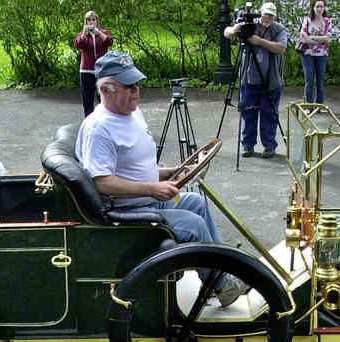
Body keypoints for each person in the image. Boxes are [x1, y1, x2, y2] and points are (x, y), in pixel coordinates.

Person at [78, 51, 250, 307]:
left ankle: (223, 272)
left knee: (196, 203)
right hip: (127, 212)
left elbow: (132, 166)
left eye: (137, 84)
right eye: (129, 86)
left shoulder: (132, 113)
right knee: (192, 224)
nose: (136, 91)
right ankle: (222, 285)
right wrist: (152, 188)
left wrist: (163, 173)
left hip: (145, 200)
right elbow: (102, 183)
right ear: (106, 89)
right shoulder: (99, 128)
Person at [223, 1, 290, 157]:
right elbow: (227, 33)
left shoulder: (279, 29)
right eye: (265, 14)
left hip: (271, 81)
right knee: (247, 113)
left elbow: (281, 48)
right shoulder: (249, 25)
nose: (267, 17)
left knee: (270, 114)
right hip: (249, 80)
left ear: (274, 17)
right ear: (260, 13)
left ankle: (269, 146)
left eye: (271, 15)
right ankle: (247, 146)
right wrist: (234, 30)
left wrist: (259, 41)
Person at [73, 10, 114, 118]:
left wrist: (99, 33)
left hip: (102, 70)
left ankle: (104, 120)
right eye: (89, 20)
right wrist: (84, 34)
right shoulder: (82, 35)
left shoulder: (103, 32)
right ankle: (89, 122)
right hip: (86, 70)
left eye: (93, 20)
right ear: (85, 22)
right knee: (87, 99)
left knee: (103, 97)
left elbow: (109, 42)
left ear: (97, 21)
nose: (91, 22)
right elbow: (78, 44)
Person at [297, 0, 334, 106]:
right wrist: (321, 39)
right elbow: (304, 39)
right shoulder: (307, 21)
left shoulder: (327, 22)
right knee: (309, 81)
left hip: (322, 55)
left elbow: (328, 38)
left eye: (321, 6)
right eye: (317, 6)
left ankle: (320, 104)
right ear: (313, 8)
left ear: (324, 8)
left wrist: (312, 37)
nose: (319, 9)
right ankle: (308, 105)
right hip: (308, 55)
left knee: (320, 81)